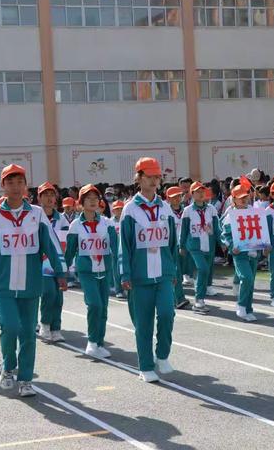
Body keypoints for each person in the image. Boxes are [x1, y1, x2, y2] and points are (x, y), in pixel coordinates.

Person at [0, 164, 67, 397]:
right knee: (9, 326)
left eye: (19, 182)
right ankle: (8, 367)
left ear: (26, 185)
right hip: (3, 285)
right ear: (3, 186)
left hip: (31, 284)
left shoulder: (37, 214)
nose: (15, 187)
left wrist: (61, 272)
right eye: (10, 182)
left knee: (28, 332)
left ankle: (26, 379)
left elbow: (51, 243)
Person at [119, 158, 177, 382]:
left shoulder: (165, 208)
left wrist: (173, 271)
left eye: (157, 177)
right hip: (139, 276)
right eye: (149, 176)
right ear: (139, 178)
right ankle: (145, 365)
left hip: (163, 274)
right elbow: (124, 244)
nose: (154, 181)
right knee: (143, 323)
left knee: (166, 314)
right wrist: (125, 274)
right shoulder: (130, 210)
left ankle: (162, 354)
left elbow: (173, 242)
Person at [65, 185, 117, 359]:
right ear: (81, 203)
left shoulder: (107, 223)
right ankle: (92, 342)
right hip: (87, 271)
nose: (93, 201)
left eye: (96, 198)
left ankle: (99, 343)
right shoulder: (75, 225)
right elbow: (70, 251)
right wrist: (62, 273)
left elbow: (115, 248)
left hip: (105, 269)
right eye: (89, 198)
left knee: (103, 308)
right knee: (94, 304)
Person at [180, 182, 221, 313]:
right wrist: (182, 246)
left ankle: (201, 297)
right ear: (192, 194)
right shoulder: (187, 211)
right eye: (197, 191)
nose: (201, 193)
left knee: (206, 271)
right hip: (194, 244)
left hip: (209, 243)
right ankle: (199, 300)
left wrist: (222, 242)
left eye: (202, 191)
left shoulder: (211, 209)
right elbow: (184, 230)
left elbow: (217, 228)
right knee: (202, 269)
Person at [221, 185, 260, 321]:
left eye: (246, 196)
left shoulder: (254, 211)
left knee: (251, 281)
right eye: (240, 197)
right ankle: (241, 306)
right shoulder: (230, 214)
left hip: (254, 252)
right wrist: (232, 246)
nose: (244, 199)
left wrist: (265, 245)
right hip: (240, 253)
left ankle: (248, 308)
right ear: (234, 200)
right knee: (246, 278)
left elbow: (260, 230)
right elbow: (225, 234)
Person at [38, 182, 68, 343]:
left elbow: (65, 240)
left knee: (58, 297)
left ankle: (56, 328)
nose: (49, 198)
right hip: (40, 263)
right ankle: (44, 324)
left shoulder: (61, 218)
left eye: (52, 195)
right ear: (39, 197)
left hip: (57, 261)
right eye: (45, 195)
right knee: (48, 293)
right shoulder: (35, 216)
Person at [165, 186, 190, 309]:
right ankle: (179, 298)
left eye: (179, 196)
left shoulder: (186, 210)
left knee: (185, 272)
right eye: (174, 197)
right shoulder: (165, 213)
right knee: (176, 272)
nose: (177, 198)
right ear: (168, 198)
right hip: (171, 245)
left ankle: (173, 297)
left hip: (185, 244)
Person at [111, 200, 126, 299]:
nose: (119, 211)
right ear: (113, 211)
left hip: (125, 248)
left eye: (121, 208)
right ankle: (118, 289)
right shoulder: (110, 222)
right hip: (114, 248)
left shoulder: (126, 220)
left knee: (125, 268)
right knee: (116, 270)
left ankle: (127, 287)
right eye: (117, 209)